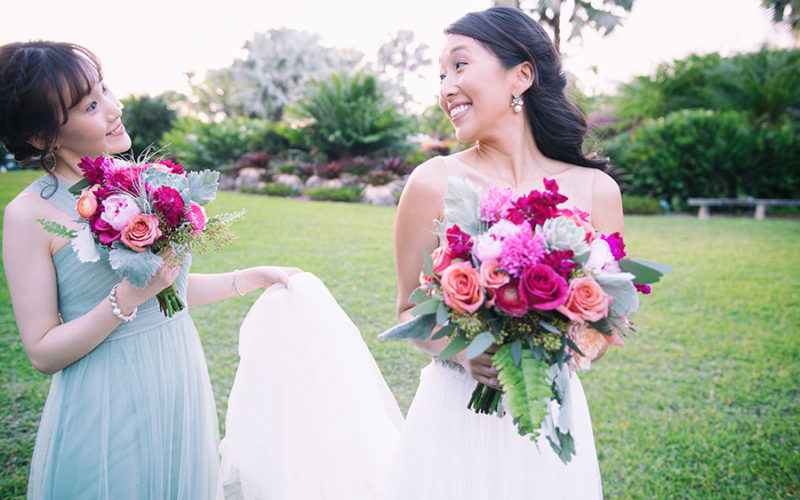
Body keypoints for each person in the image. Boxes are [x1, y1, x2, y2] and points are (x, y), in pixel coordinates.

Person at [0, 41, 301, 499]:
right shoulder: (27, 216)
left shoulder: (143, 182)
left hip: (177, 378)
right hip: (106, 397)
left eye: (105, 90)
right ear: (43, 137)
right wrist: (126, 298)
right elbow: (42, 352)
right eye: (91, 105)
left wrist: (253, 277)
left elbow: (171, 292)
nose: (114, 109)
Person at [386, 7, 622, 499]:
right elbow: (409, 309)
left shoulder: (597, 190)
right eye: (441, 74)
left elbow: (606, 318)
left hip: (548, 409)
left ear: (522, 76)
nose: (446, 86)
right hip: (454, 412)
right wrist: (468, 347)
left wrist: (554, 336)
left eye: (460, 65)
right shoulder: (432, 182)